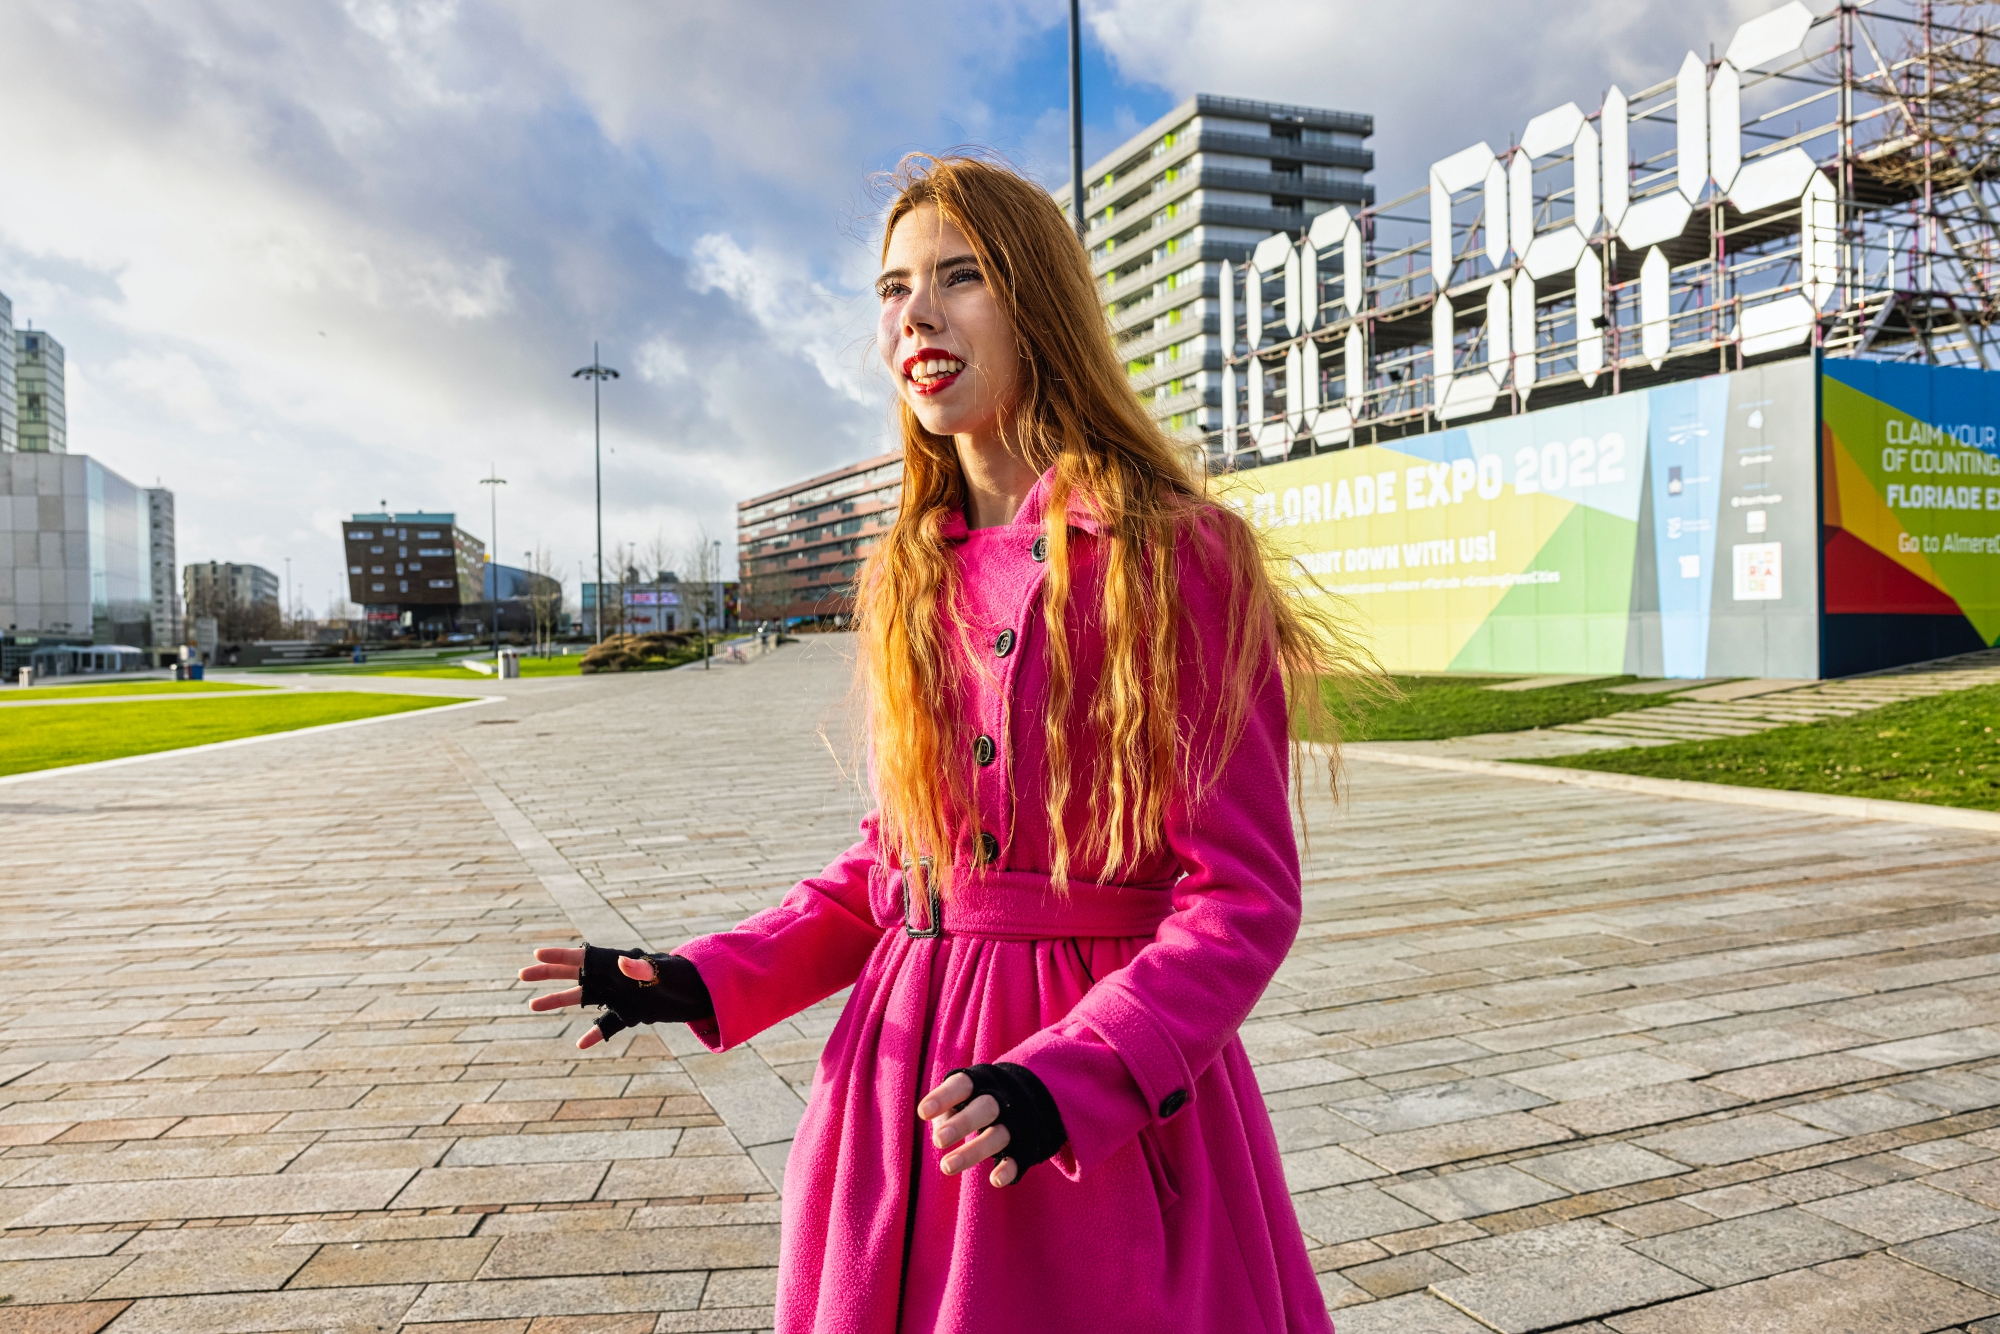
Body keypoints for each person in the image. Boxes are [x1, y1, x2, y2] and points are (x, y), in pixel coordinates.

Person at [521, 152, 1365, 1334]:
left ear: (1039, 306)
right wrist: (703, 972)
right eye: (891, 287)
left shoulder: (1180, 553)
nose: (913, 314)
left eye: (958, 277)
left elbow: (1241, 898)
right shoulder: (905, 570)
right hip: (892, 1091)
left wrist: (1074, 1074)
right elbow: (892, 866)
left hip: (1082, 1115)